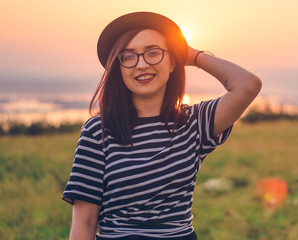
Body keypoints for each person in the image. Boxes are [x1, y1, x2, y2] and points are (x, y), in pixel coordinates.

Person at [62, 11, 261, 240]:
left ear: (173, 62)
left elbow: (248, 85)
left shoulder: (194, 123)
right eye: (128, 56)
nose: (141, 65)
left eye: (153, 53)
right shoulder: (98, 131)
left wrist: (193, 56)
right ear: (118, 67)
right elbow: (84, 223)